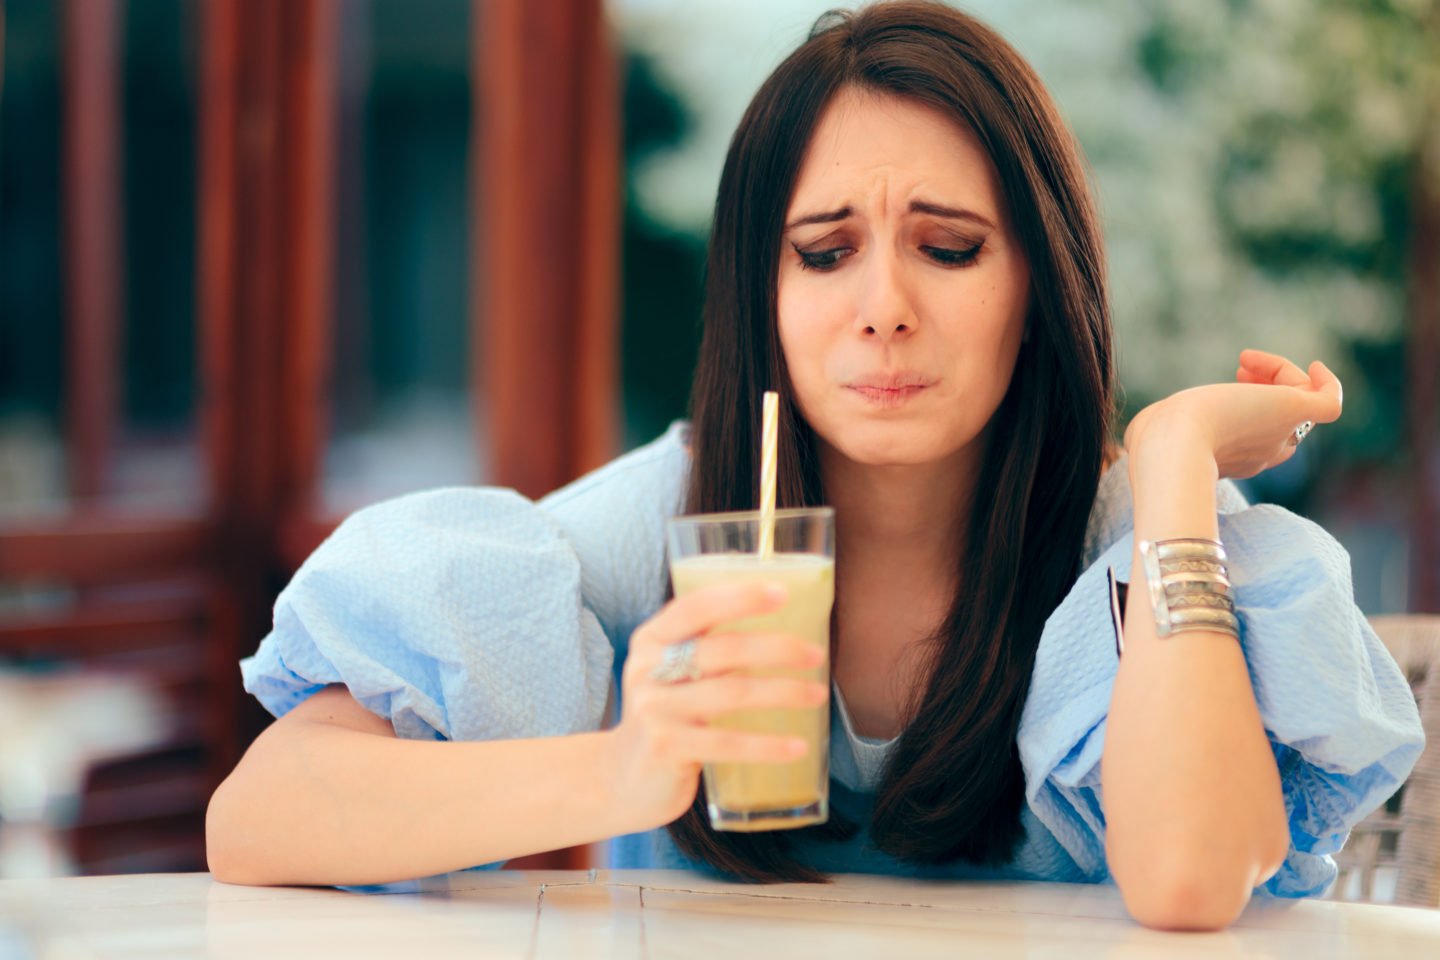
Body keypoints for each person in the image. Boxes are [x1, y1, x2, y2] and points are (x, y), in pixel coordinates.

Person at [205, 0, 1424, 932]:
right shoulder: (675, 520)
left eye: (948, 249)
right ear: (764, 296)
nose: (882, 308)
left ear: (1037, 292)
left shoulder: (1137, 544)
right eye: (824, 253)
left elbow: (1190, 877)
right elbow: (260, 818)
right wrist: (623, 768)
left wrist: (1169, 465)